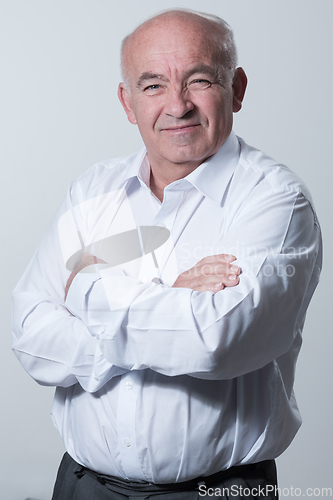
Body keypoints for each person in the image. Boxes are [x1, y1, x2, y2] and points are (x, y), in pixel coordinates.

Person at [12, 8, 322, 500]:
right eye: (153, 85)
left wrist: (89, 291)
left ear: (237, 88)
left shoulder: (277, 201)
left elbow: (216, 340)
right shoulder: (92, 191)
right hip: (81, 486)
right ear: (127, 101)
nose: (177, 106)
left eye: (199, 80)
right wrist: (170, 296)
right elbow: (31, 338)